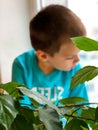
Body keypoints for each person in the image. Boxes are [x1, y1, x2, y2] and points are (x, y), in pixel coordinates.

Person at [12, 5, 89, 108]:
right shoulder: (22, 66)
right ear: (43, 56)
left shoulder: (74, 70)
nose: (77, 60)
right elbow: (22, 110)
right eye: (70, 57)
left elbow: (82, 108)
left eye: (78, 53)